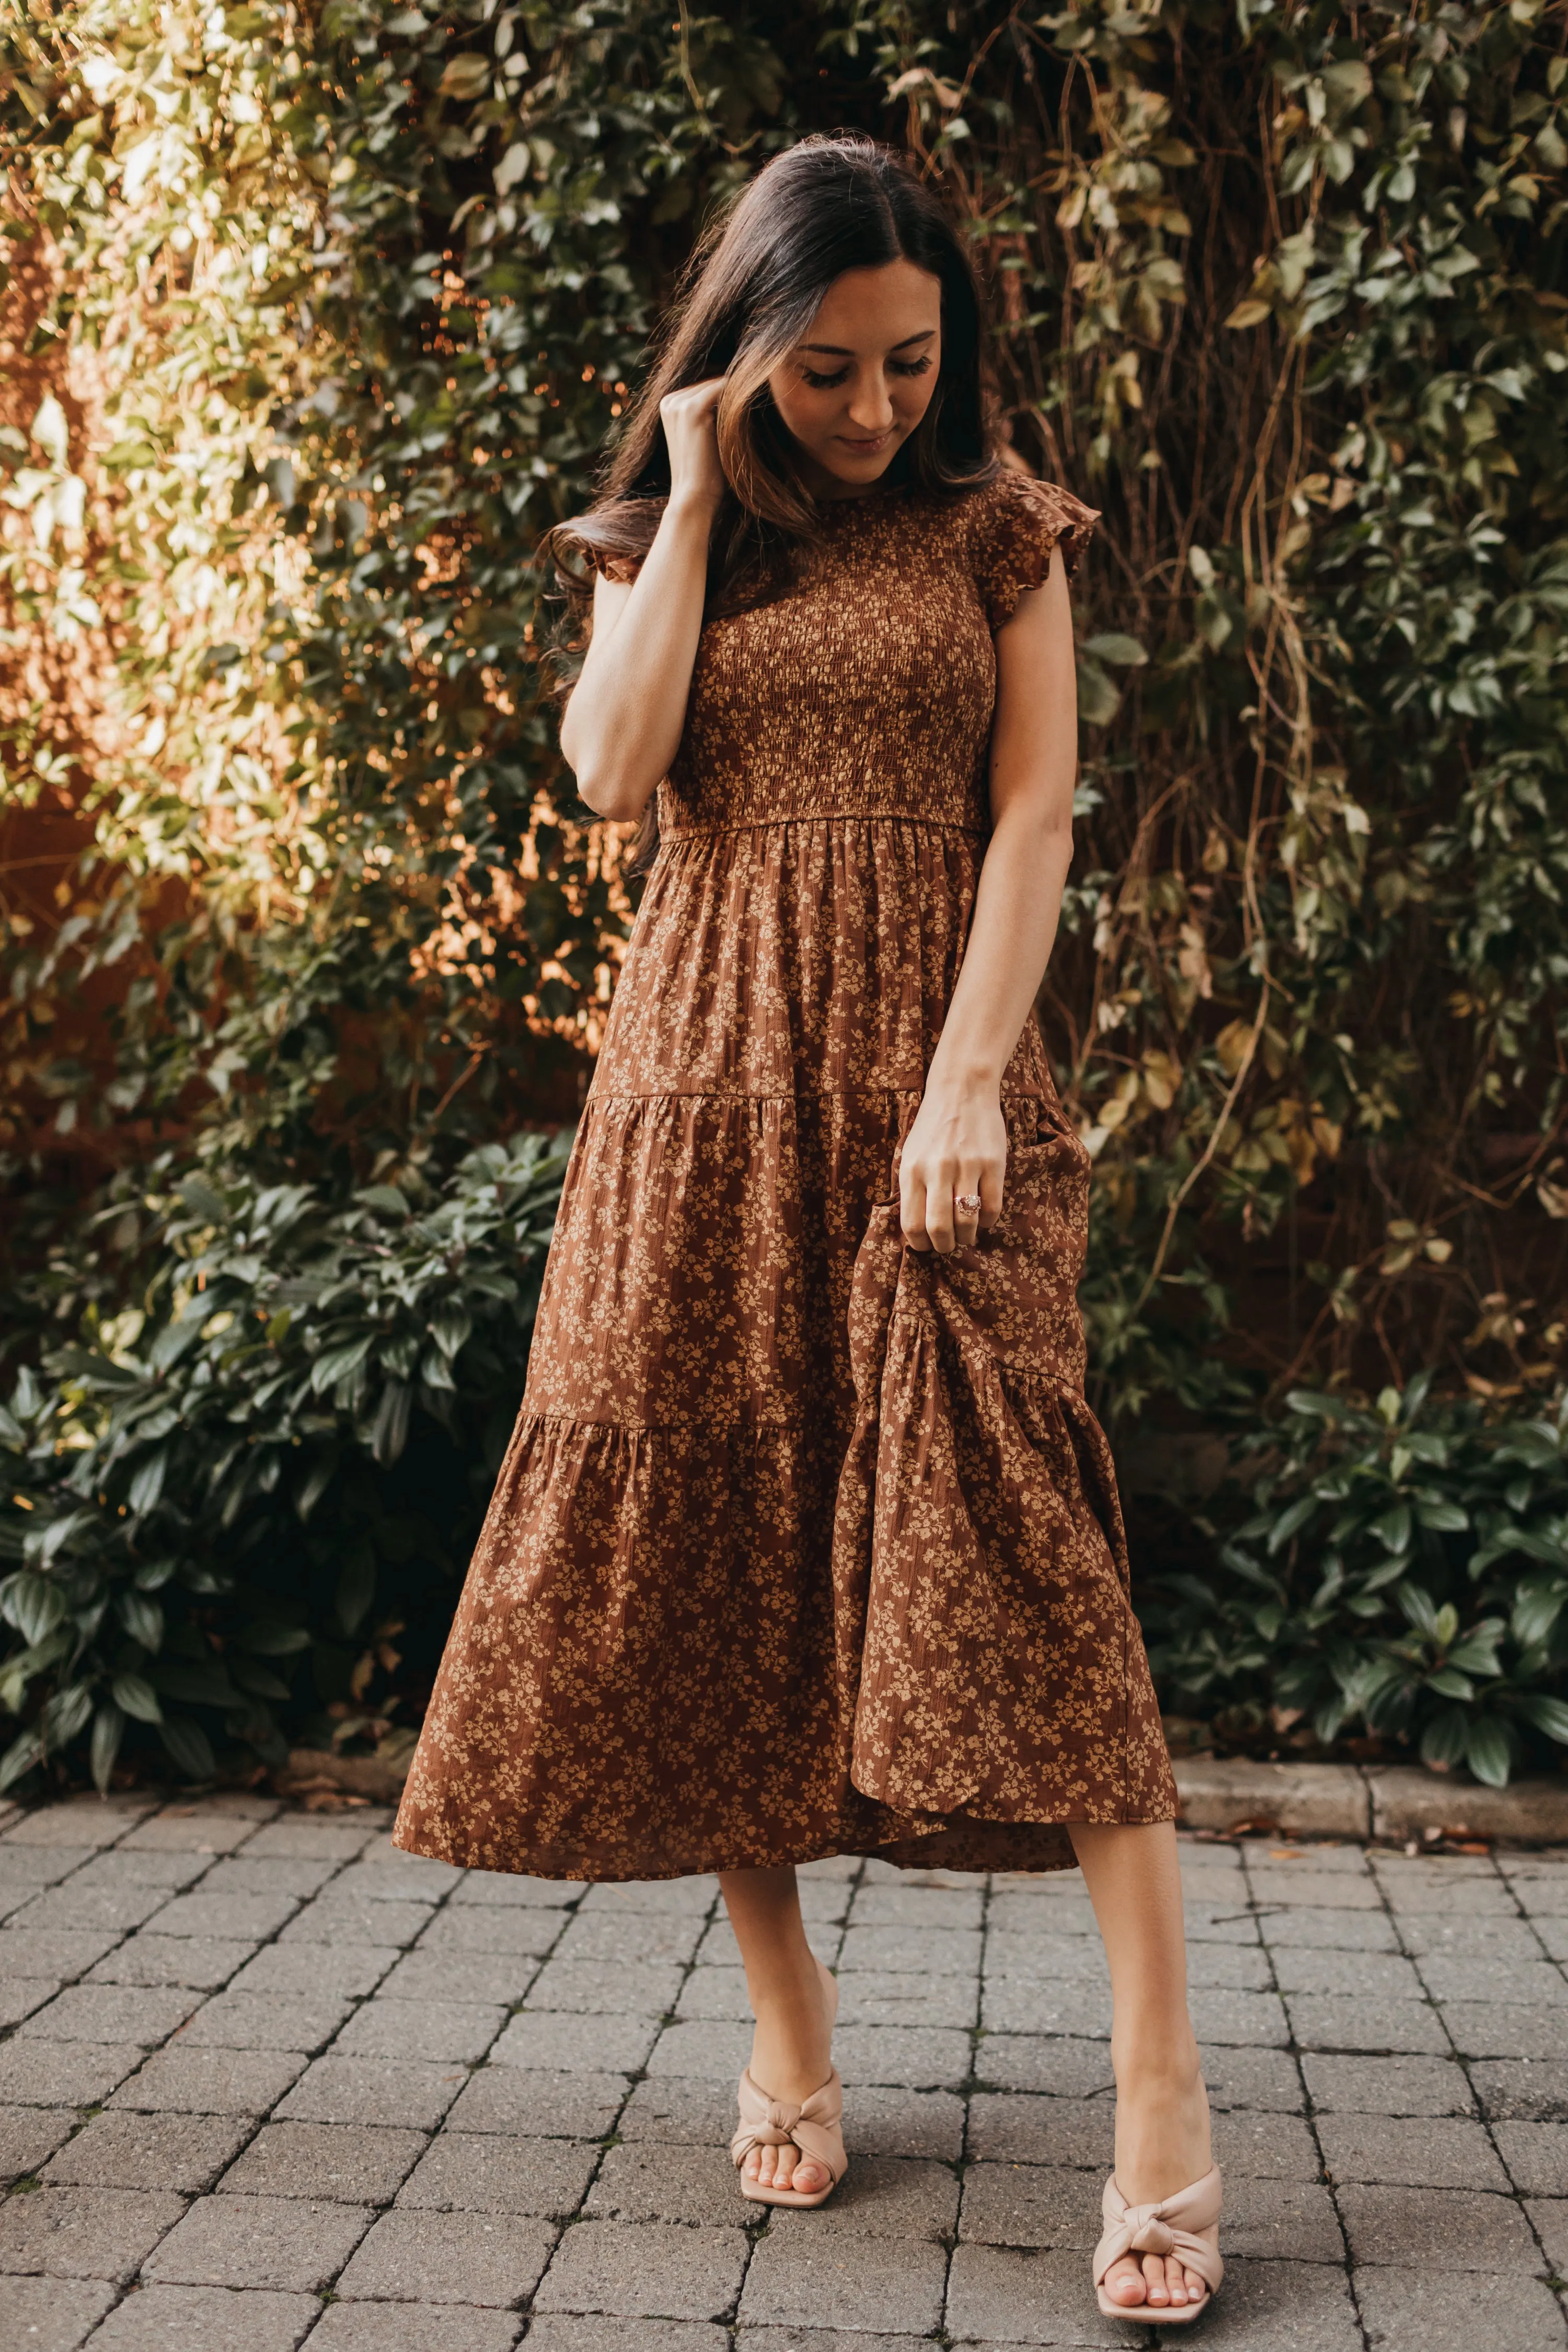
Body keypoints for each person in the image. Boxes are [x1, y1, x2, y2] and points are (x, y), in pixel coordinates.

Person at [394, 131, 1222, 2324]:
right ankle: (785, 2019)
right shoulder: (665, 536)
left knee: (1029, 1550)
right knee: (726, 1544)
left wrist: (967, 1083)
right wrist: (683, 490)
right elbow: (606, 773)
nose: (871, 412)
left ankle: (1164, 2096)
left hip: (939, 1095)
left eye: (907, 365)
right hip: (701, 1087)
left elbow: (1036, 811)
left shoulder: (1000, 528)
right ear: (752, 349)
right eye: (828, 371)